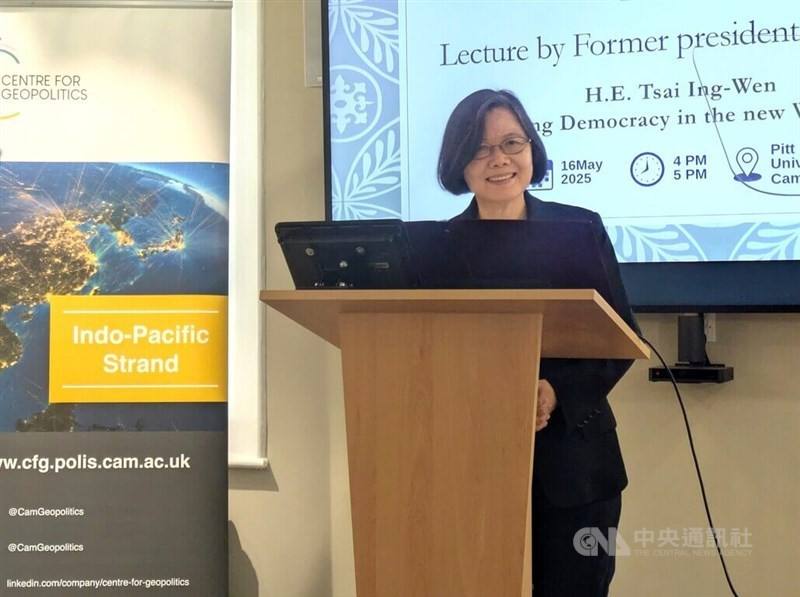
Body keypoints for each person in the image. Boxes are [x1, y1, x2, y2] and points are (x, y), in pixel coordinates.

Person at [437, 89, 639, 596]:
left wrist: (556, 392)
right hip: (472, 467)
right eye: (480, 149)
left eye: (511, 142)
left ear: (532, 149)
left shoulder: (577, 228)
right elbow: (431, 349)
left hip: (578, 469)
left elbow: (621, 337)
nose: (499, 159)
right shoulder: (439, 247)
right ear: (458, 162)